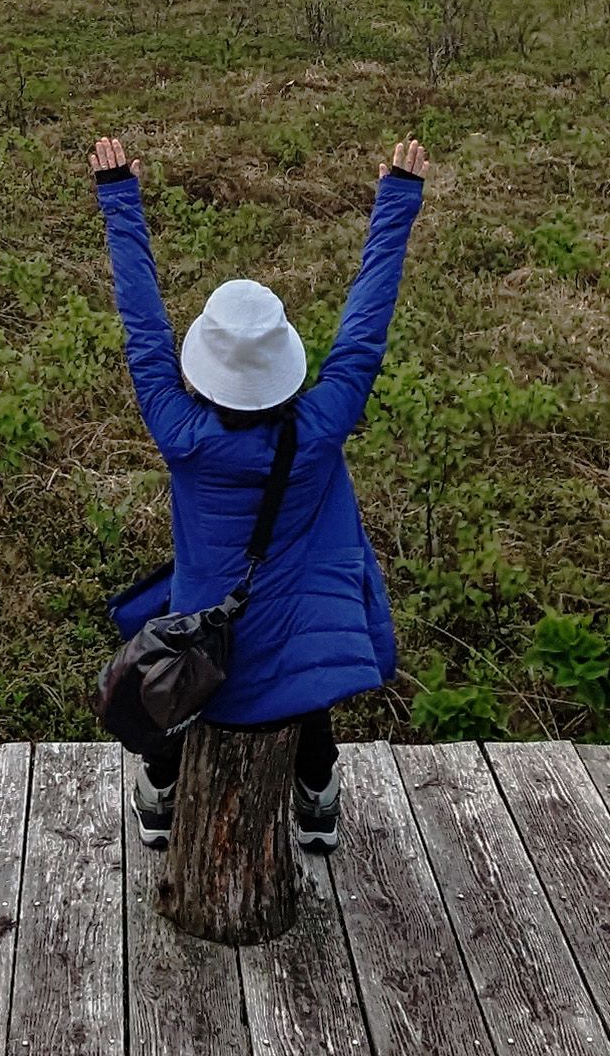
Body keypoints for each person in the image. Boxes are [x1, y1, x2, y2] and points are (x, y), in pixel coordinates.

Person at [93, 134, 429, 851]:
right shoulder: (321, 425)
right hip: (295, 668)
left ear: (205, 368)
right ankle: (318, 804)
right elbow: (364, 334)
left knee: (195, 666)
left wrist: (120, 196)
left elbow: (144, 331)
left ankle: (158, 796)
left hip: (202, 663)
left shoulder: (179, 428)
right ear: (284, 363)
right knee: (293, 670)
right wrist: (396, 198)